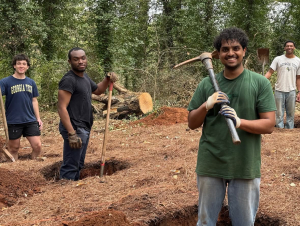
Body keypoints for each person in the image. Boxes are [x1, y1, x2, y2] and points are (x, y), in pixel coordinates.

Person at [188, 27, 276, 226]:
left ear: (244, 51)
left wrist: (239, 122)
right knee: (205, 222)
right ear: (218, 54)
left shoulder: (260, 83)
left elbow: (269, 124)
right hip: (211, 162)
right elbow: (192, 123)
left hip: (245, 164)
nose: (230, 53)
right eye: (225, 49)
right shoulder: (206, 84)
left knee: (244, 222)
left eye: (236, 48)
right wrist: (206, 105)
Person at [58, 47, 118, 181]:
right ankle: (65, 190)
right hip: (74, 127)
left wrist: (107, 79)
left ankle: (74, 190)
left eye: (83, 58)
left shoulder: (84, 77)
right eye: (76, 59)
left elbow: (97, 90)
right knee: (71, 165)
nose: (80, 61)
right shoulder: (69, 80)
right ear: (70, 61)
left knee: (78, 163)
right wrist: (71, 133)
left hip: (83, 126)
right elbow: (62, 108)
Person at [0, 54, 43, 161]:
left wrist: (38, 118)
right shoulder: (5, 82)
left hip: (30, 119)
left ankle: (33, 166)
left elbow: (34, 101)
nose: (21, 66)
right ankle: (14, 170)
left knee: (37, 146)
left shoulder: (31, 82)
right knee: (14, 148)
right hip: (13, 120)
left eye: (24, 64)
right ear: (14, 66)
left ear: (27, 67)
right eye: (18, 63)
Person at [264, 41, 300, 129]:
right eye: (287, 46)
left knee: (291, 113)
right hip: (279, 90)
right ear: (284, 48)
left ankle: (290, 129)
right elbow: (270, 72)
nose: (289, 47)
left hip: (291, 90)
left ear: (294, 48)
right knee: (279, 113)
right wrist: (261, 81)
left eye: (291, 46)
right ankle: (279, 129)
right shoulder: (278, 59)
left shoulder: (298, 61)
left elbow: (298, 78)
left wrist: (299, 91)